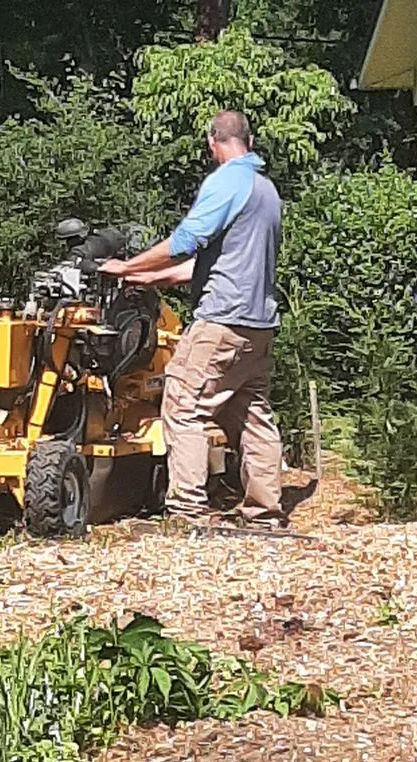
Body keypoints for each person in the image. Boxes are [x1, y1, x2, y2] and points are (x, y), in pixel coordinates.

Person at [99, 110, 285, 530]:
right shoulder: (266, 191)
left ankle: (187, 512)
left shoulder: (227, 181)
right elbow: (215, 261)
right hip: (258, 325)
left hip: (221, 321)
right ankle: (263, 513)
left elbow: (186, 242)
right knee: (252, 414)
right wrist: (150, 277)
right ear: (249, 142)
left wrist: (126, 267)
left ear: (211, 143)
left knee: (182, 405)